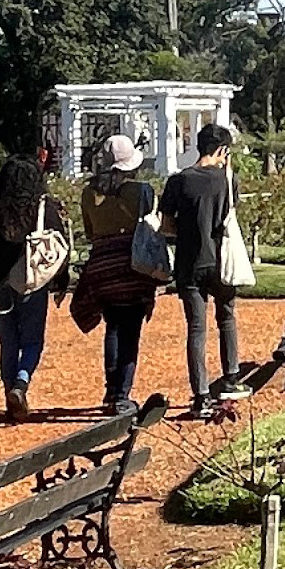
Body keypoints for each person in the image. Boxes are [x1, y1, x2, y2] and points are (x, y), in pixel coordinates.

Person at [0, 156, 70, 421]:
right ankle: (21, 384)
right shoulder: (42, 207)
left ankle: (10, 394)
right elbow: (59, 246)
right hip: (30, 281)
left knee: (8, 342)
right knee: (32, 341)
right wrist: (60, 281)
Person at [161, 121, 247, 419]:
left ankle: (200, 395)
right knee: (226, 317)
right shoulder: (226, 180)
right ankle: (231, 377)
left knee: (196, 329)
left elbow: (166, 225)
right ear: (222, 149)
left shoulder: (178, 181)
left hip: (189, 262)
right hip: (221, 260)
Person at [71, 133, 161, 416]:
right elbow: (149, 223)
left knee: (112, 326)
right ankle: (122, 394)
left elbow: (89, 232)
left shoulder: (89, 193)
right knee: (130, 330)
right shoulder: (142, 191)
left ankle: (111, 391)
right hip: (130, 266)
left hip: (100, 266)